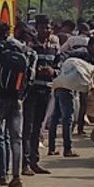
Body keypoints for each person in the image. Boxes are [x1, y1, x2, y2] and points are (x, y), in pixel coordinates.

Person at [0, 21, 30, 187]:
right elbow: (28, 73)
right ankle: (16, 177)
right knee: (16, 138)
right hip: (17, 99)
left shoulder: (1, 50)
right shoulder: (22, 48)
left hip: (0, 98)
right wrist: (21, 94)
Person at [22, 15, 58, 175]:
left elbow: (59, 67)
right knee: (28, 127)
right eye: (43, 27)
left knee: (38, 127)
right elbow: (24, 68)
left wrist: (52, 71)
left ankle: (34, 161)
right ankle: (25, 162)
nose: (46, 30)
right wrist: (36, 71)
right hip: (31, 91)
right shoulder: (30, 47)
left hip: (46, 90)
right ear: (37, 28)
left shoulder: (54, 47)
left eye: (49, 27)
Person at [50, 52, 94, 157]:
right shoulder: (87, 66)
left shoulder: (68, 62)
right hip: (68, 90)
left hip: (57, 86)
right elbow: (89, 83)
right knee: (68, 119)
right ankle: (68, 149)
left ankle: (51, 148)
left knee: (55, 118)